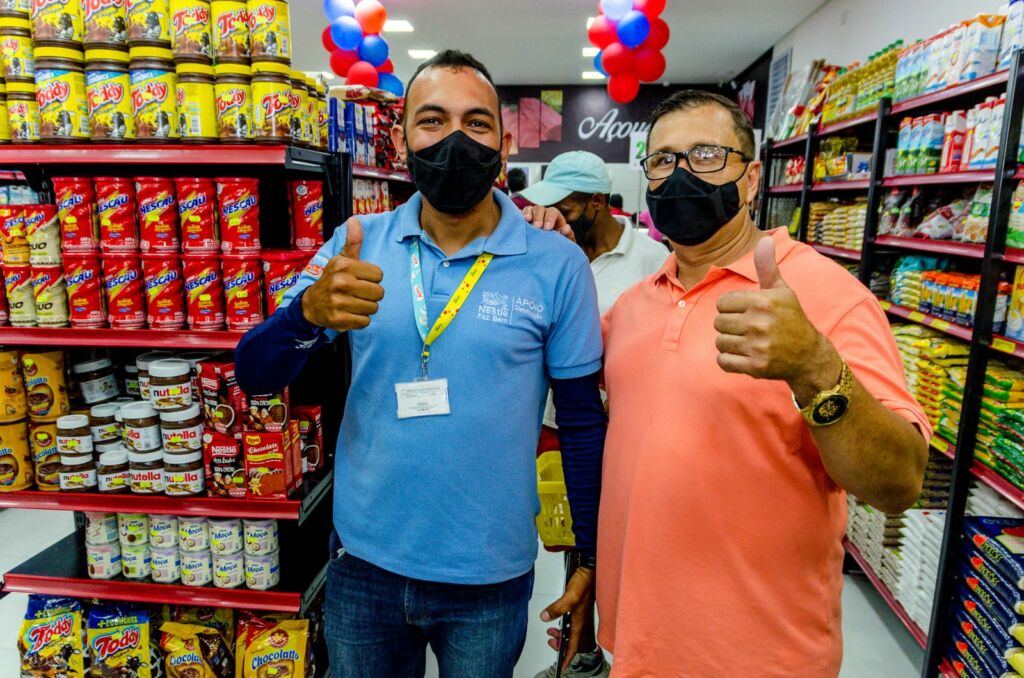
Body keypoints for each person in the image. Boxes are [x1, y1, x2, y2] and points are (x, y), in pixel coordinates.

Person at [233, 50, 607, 678]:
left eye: (476, 123)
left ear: (504, 145)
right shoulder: (357, 243)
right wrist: (307, 316)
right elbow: (255, 371)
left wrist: (592, 555)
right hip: (363, 565)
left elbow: (581, 424)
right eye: (432, 121)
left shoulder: (556, 263)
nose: (455, 139)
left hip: (489, 576)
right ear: (403, 139)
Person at [595, 91, 929, 676]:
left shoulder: (826, 296)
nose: (680, 175)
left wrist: (815, 367)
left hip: (760, 655)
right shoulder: (631, 306)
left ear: (751, 180)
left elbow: (899, 481)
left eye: (704, 155)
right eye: (662, 160)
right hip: (639, 643)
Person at [520, 152, 667, 678]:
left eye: (565, 204)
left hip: (625, 437)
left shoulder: (650, 261)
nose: (553, 215)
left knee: (624, 552)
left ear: (599, 204)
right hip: (560, 430)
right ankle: (580, 656)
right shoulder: (548, 255)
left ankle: (625, 655)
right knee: (572, 543)